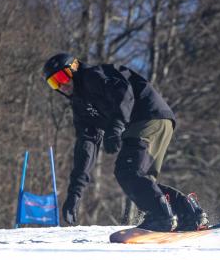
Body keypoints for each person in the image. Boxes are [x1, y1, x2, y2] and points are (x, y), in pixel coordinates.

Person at [42, 52, 209, 231]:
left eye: (61, 77)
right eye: (54, 83)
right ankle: (189, 212)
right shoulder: (80, 106)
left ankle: (161, 217)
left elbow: (123, 92)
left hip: (148, 116)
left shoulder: (93, 76)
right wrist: (74, 192)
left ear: (73, 68)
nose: (61, 85)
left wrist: (116, 125)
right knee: (140, 180)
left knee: (128, 171)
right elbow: (86, 147)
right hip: (155, 121)